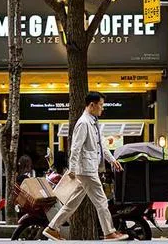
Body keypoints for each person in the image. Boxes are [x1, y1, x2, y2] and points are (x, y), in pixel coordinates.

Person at [42, 91, 128, 242]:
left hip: (88, 169)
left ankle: (52, 228)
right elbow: (75, 148)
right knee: (101, 201)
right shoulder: (83, 123)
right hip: (86, 170)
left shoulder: (93, 122)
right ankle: (109, 232)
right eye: (100, 105)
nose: (102, 108)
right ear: (92, 105)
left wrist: (112, 160)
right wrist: (73, 169)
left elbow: (101, 145)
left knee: (73, 203)